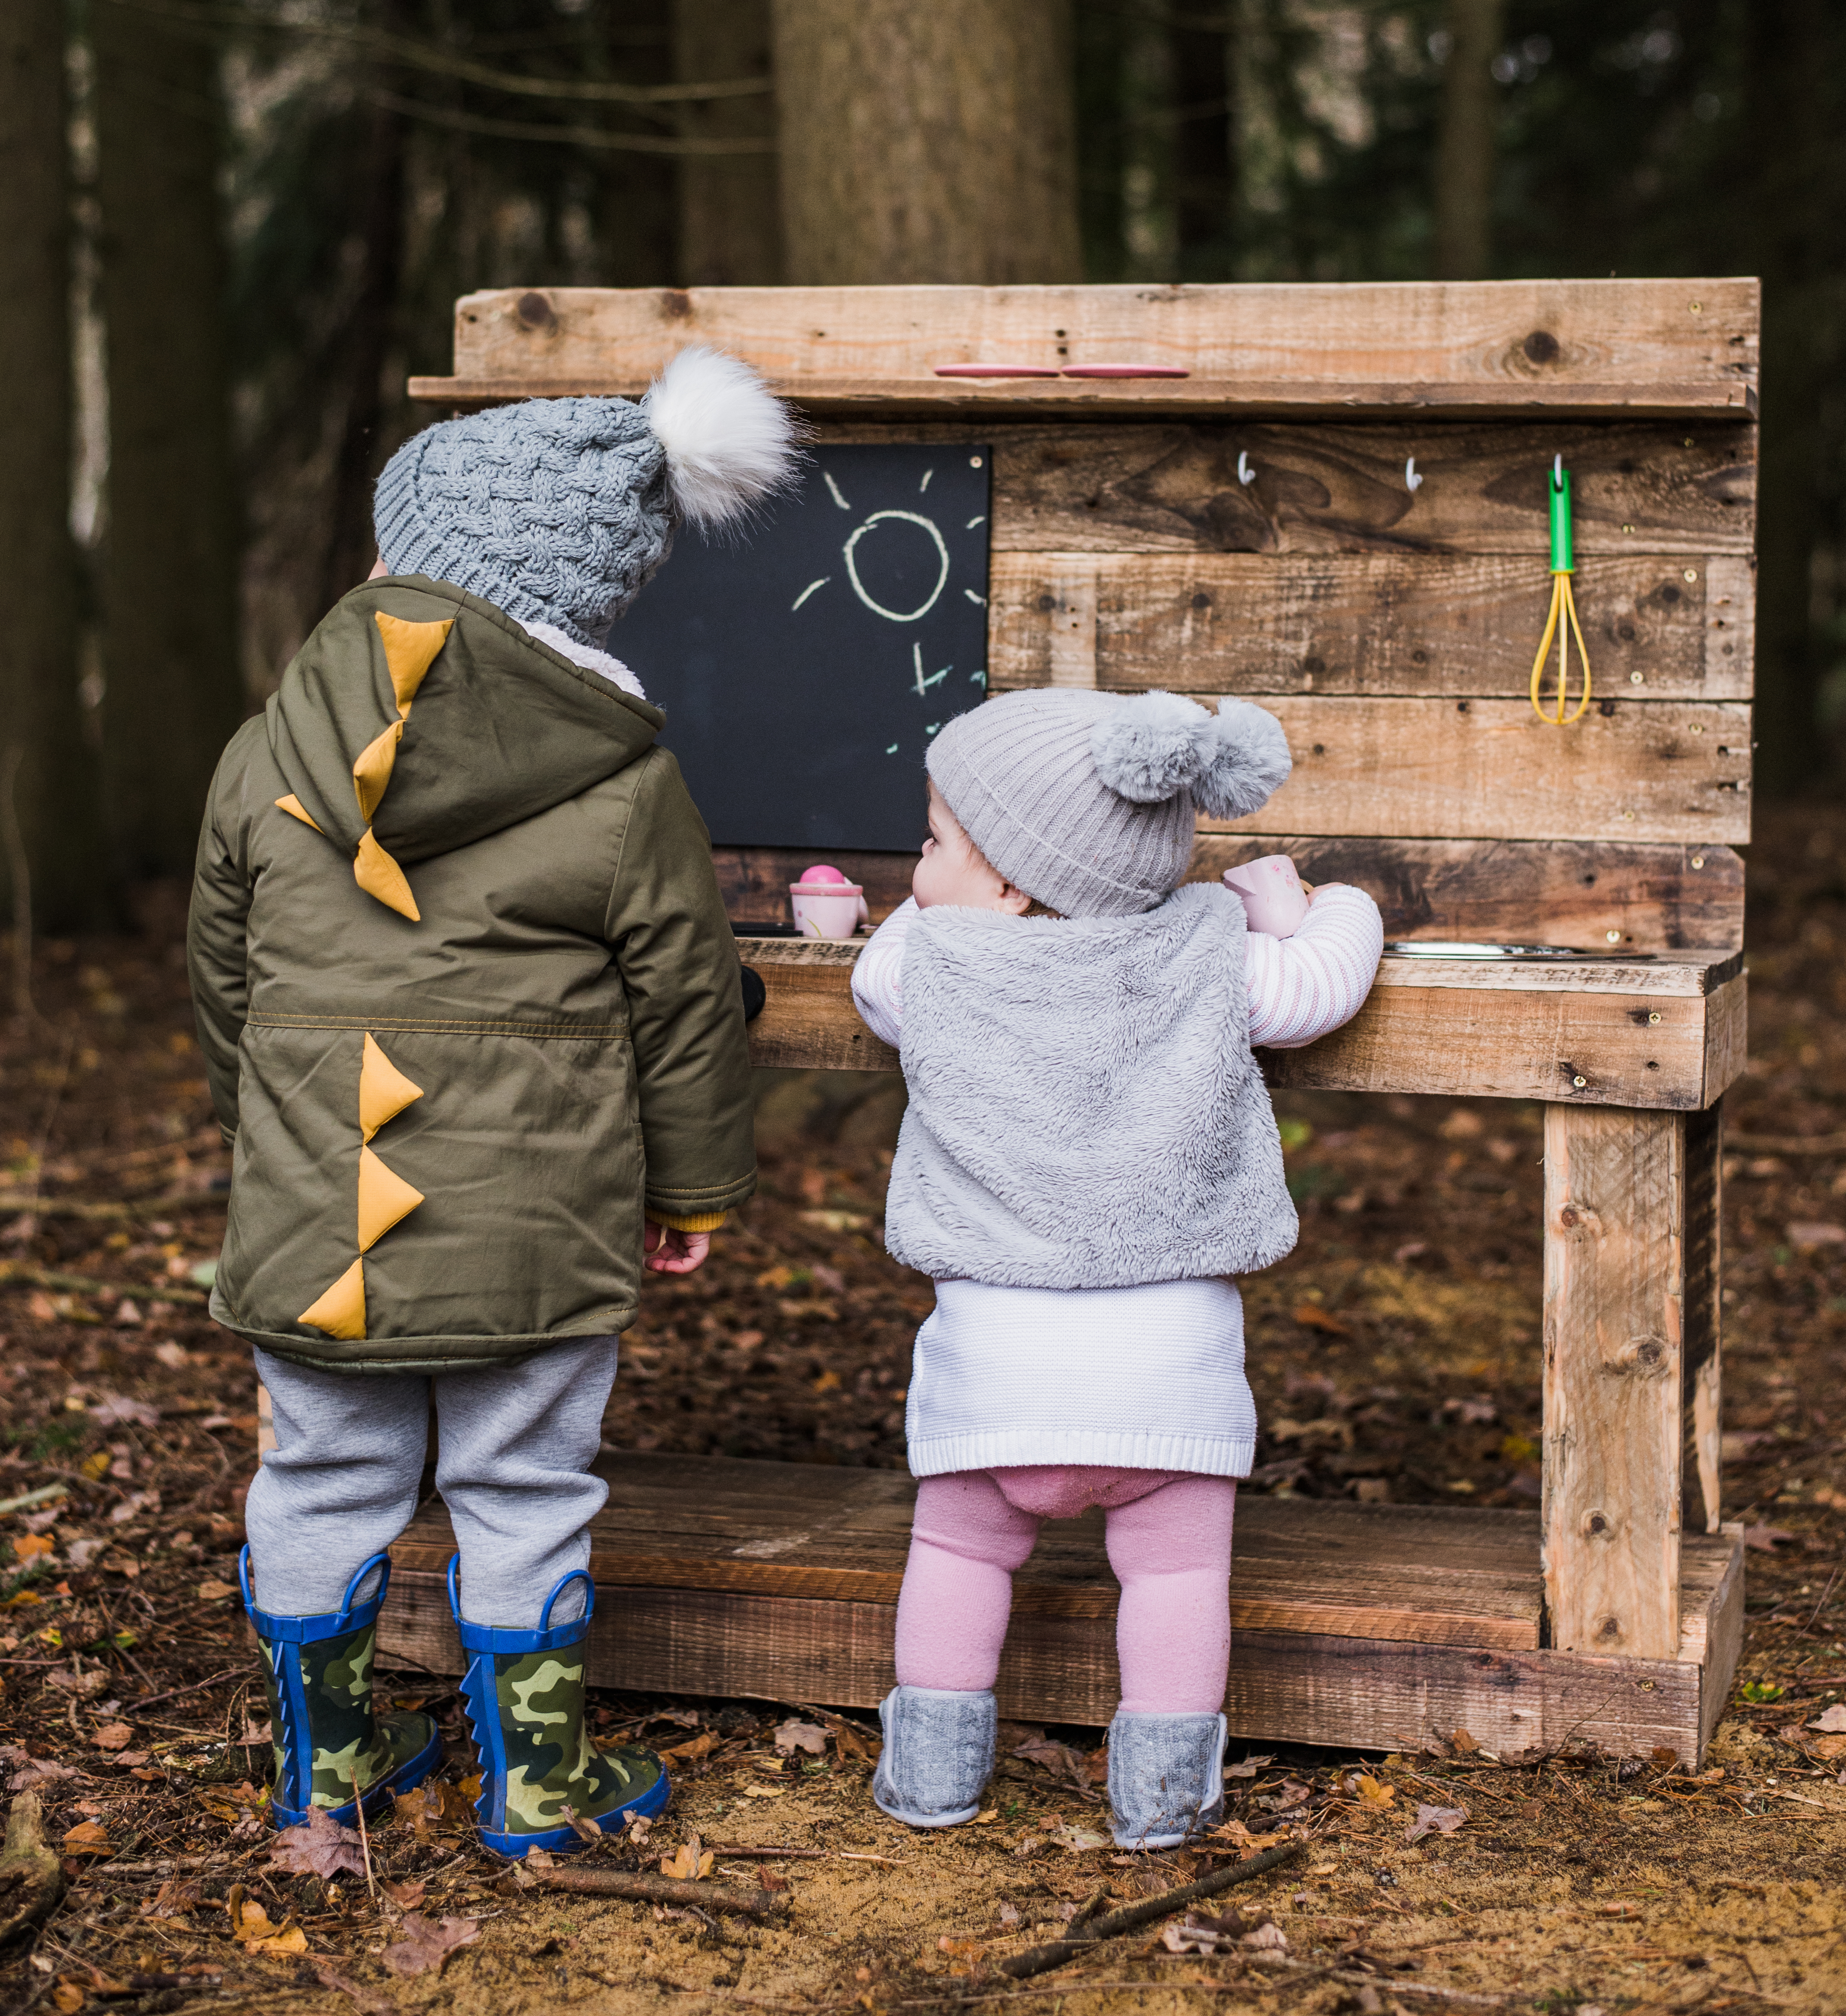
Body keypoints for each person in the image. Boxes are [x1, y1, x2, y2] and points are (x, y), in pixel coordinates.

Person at [187, 349, 797, 1859]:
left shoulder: (268, 747)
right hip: (539, 1228)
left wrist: (265, 1138)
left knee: (320, 1471)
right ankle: (540, 1782)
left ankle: (325, 1768)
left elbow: (224, 981)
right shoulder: (623, 778)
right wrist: (693, 1190)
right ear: (590, 594)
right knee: (525, 1480)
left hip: (314, 1223)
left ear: (401, 558)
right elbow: (681, 1003)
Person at [848, 688, 1383, 1849]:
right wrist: (1321, 907)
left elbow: (876, 975)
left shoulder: (926, 965)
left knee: (954, 1551)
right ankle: (1164, 1800)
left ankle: (933, 1779)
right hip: (1169, 1377)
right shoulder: (1216, 960)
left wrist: (929, 911)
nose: (915, 864)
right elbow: (1325, 987)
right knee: (1178, 1583)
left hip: (996, 1375)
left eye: (935, 840)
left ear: (1008, 883)